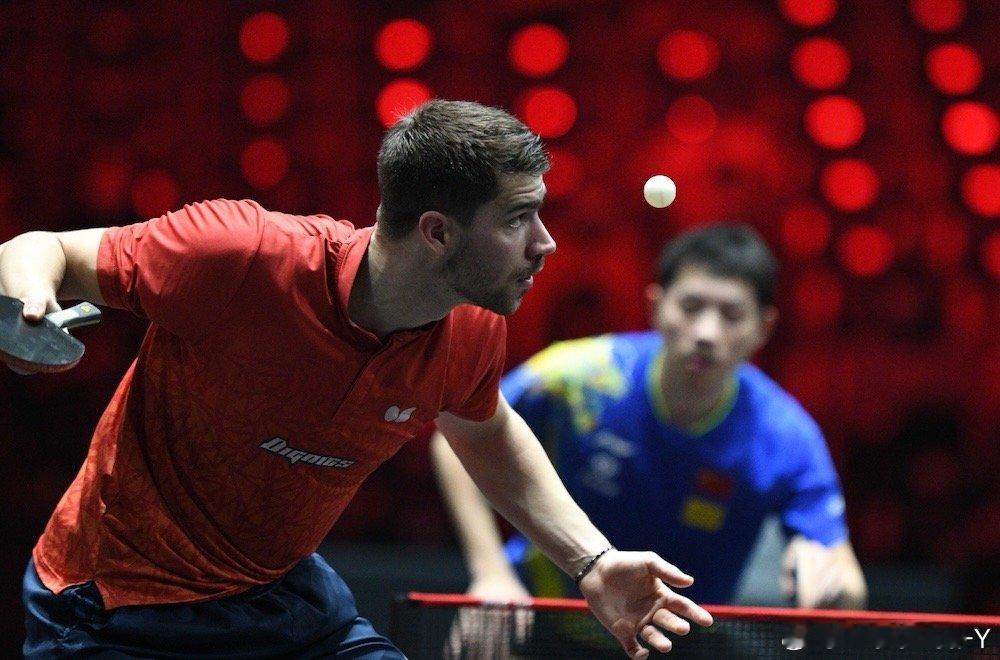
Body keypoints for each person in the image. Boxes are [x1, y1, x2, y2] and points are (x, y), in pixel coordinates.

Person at [1, 99, 711, 659]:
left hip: (276, 596)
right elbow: (39, 250)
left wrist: (591, 562)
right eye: (518, 220)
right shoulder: (237, 256)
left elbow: (486, 431)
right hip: (115, 603)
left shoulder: (470, 328)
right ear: (437, 232)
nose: (544, 244)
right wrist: (27, 309)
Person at [432, 223, 868, 611]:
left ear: (763, 328)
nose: (707, 332)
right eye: (691, 307)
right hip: (542, 617)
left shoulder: (785, 433)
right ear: (657, 305)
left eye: (732, 315)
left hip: (685, 637)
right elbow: (455, 440)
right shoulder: (583, 378)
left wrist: (830, 584)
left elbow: (849, 582)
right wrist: (491, 573)